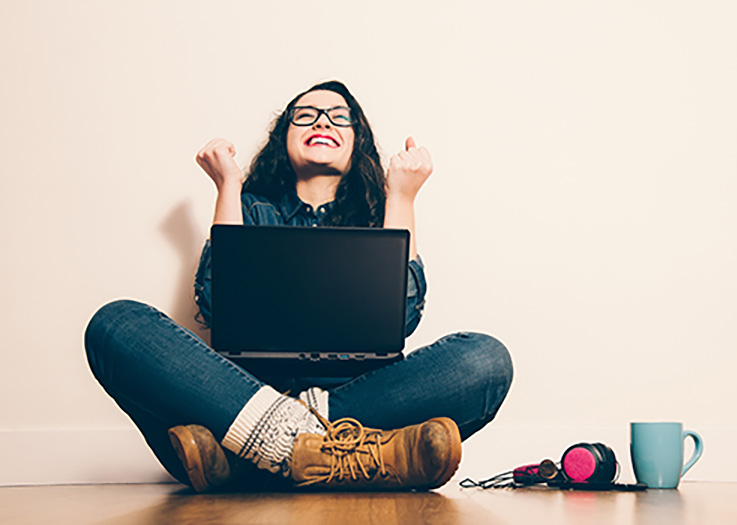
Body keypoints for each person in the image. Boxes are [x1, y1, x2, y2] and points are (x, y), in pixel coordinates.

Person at [84, 80, 513, 492]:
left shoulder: (376, 216)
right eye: (305, 115)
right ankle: (341, 455)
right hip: (240, 394)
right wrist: (227, 186)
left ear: (356, 141)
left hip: (356, 399)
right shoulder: (249, 209)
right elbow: (218, 304)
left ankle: (255, 460)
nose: (321, 122)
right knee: (116, 325)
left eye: (338, 117)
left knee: (486, 362)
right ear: (283, 139)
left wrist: (401, 197)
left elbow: (402, 318)